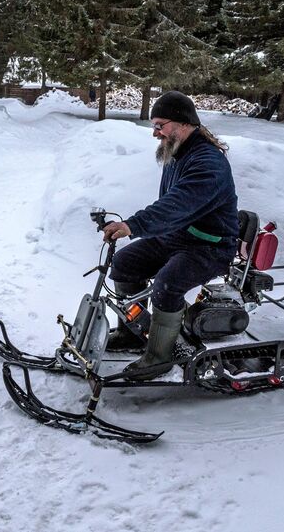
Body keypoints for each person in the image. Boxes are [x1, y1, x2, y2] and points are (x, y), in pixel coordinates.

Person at [102, 91, 239, 380]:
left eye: (160, 125)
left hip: (210, 246)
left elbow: (179, 203)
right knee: (126, 262)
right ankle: (130, 333)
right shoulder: (177, 151)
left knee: (168, 284)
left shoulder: (208, 163)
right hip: (178, 237)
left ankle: (158, 357)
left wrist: (134, 225)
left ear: (184, 123)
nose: (155, 133)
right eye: (154, 126)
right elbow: (173, 207)